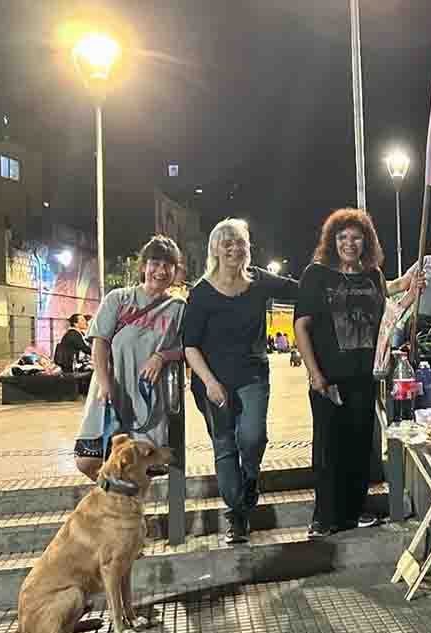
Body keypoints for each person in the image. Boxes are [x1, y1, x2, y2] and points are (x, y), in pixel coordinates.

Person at [294, 208, 422, 538]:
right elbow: (301, 326)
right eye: (343, 237)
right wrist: (315, 374)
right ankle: (324, 516)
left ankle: (354, 511)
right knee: (328, 447)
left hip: (364, 378)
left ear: (366, 242)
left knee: (360, 446)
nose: (349, 243)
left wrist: (412, 295)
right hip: (328, 378)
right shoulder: (316, 275)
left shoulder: (373, 276)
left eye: (356, 237)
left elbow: (388, 318)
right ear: (332, 240)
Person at [183, 218, 301, 545]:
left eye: (240, 242)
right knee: (224, 446)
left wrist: (380, 286)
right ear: (215, 250)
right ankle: (237, 515)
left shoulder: (259, 281)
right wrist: (210, 382)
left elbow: (303, 288)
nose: (235, 248)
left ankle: (250, 478)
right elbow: (190, 346)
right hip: (212, 382)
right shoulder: (201, 293)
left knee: (252, 438)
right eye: (227, 243)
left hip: (252, 375)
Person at [73, 236, 186, 481]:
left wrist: (161, 356)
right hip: (112, 390)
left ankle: (127, 504)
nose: (161, 271)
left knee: (141, 465)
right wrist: (104, 384)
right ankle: (119, 499)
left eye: (168, 265)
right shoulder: (119, 298)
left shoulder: (178, 307)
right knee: (89, 460)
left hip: (149, 400)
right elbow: (100, 343)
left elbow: (188, 348)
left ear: (175, 270)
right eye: (155, 263)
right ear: (144, 266)